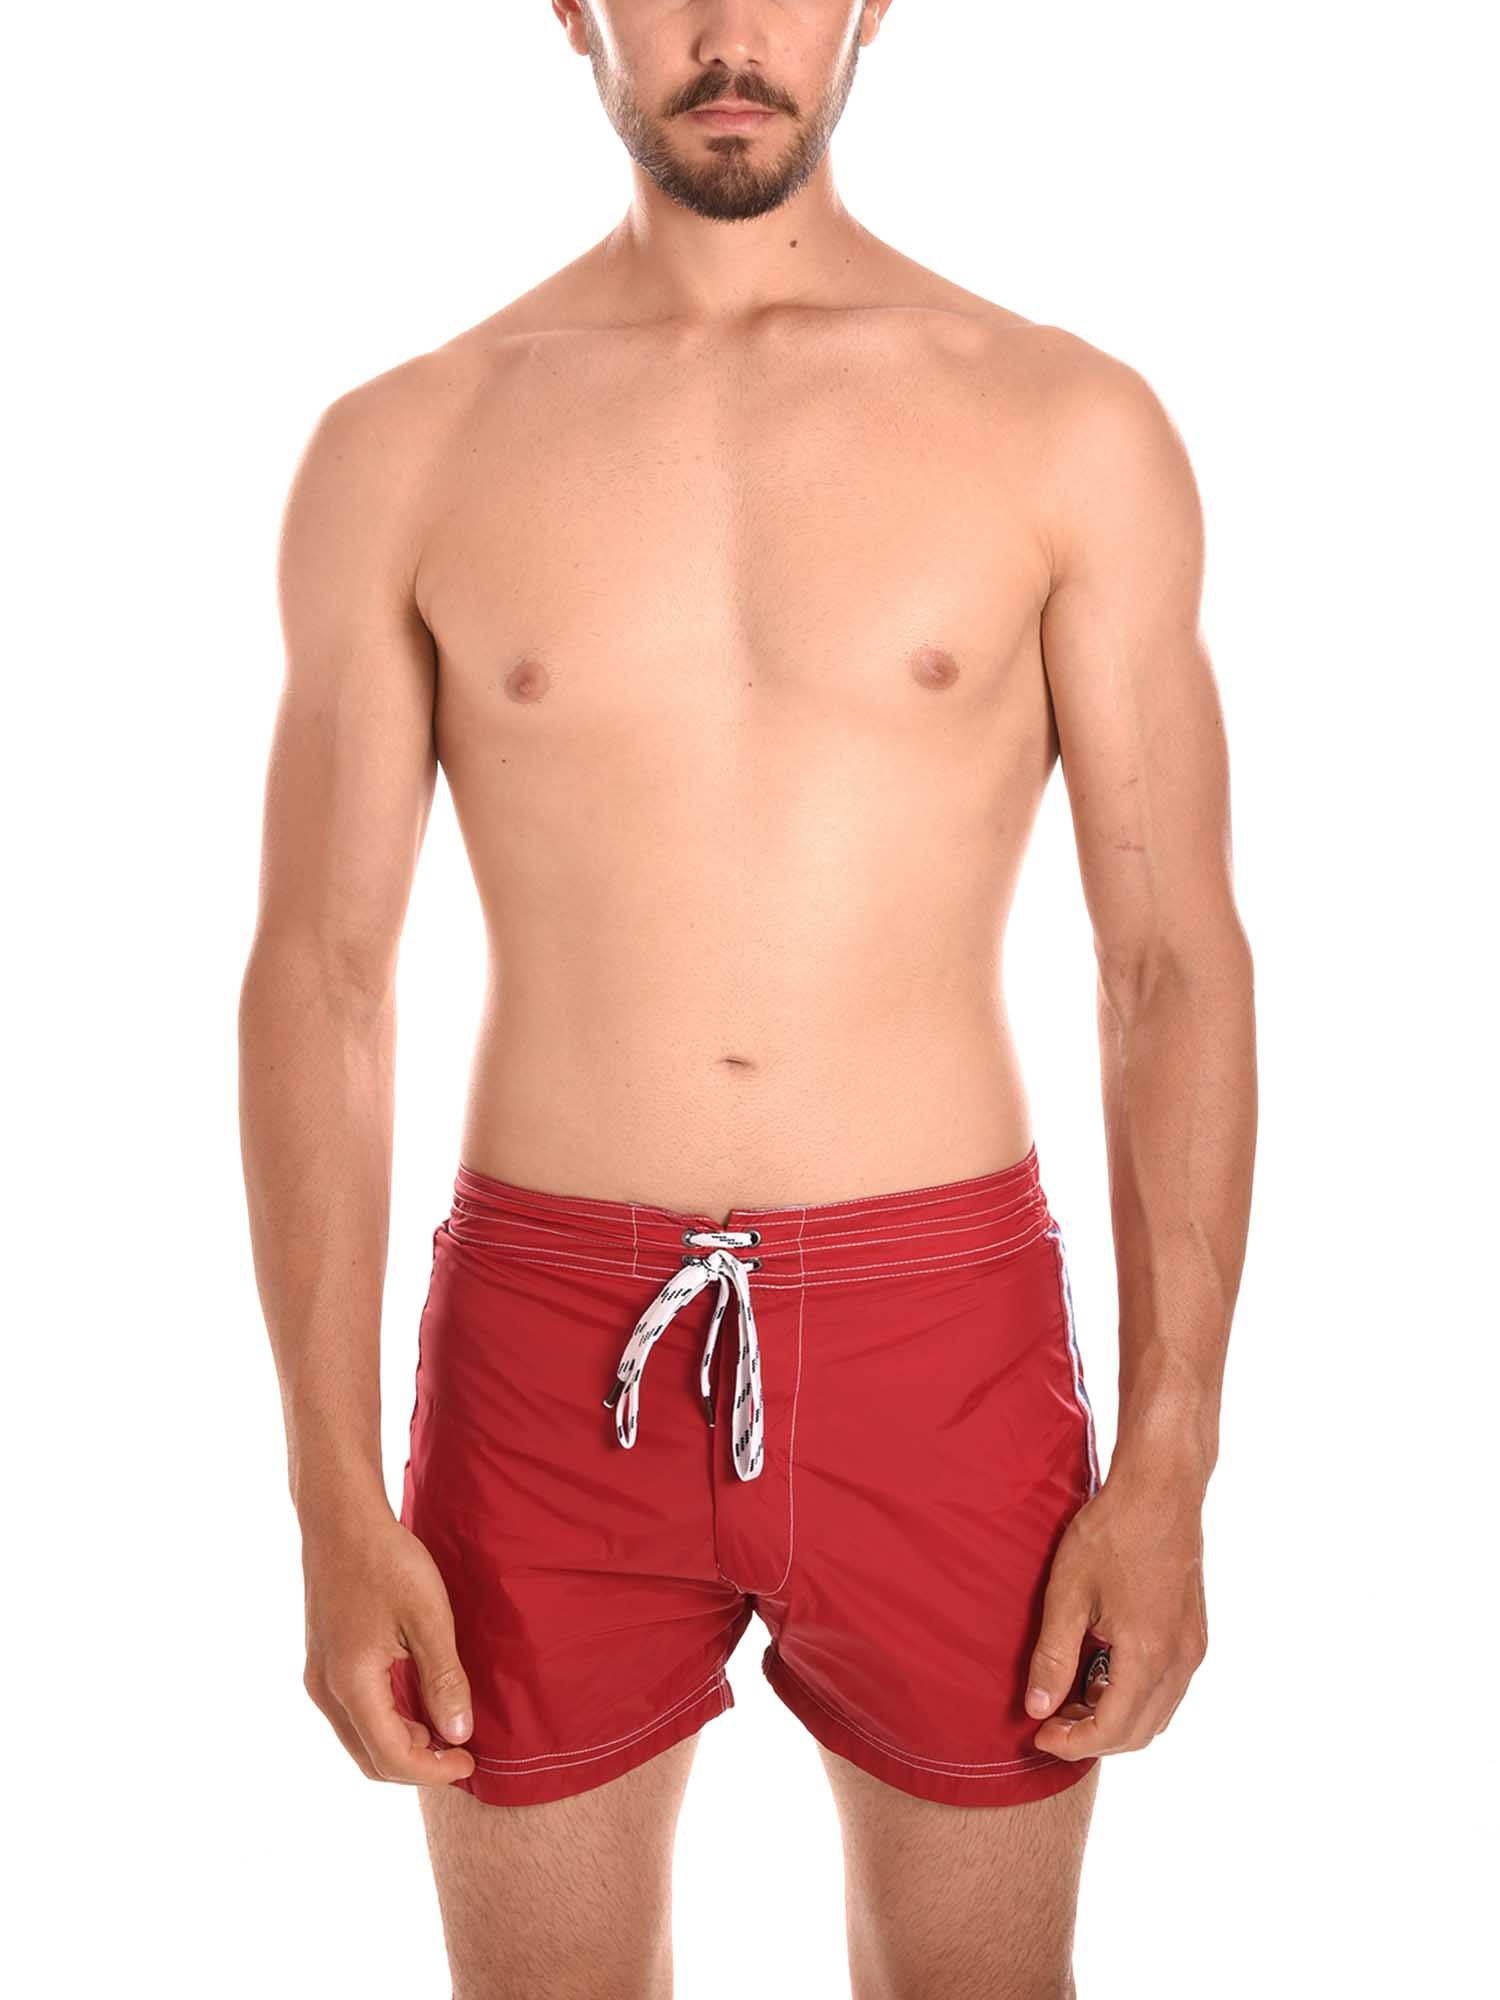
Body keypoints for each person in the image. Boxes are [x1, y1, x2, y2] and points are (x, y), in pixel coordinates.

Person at [238, 3, 1257, 1994]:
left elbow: (1169, 964)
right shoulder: (410, 442)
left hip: (940, 1331)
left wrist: (1174, 1456)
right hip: (548, 1347)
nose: (728, 32)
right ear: (570, 8)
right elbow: (322, 981)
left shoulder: (1063, 424)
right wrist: (328, 1491)